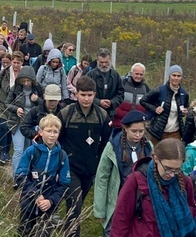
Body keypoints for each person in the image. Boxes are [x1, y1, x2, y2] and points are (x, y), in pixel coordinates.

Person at [58, 76, 112, 237]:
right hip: (70, 167)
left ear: (95, 94)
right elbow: (57, 139)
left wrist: (99, 160)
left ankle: (69, 227)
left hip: (90, 168)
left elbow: (107, 142)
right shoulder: (66, 113)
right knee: (75, 204)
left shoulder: (102, 116)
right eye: (83, 95)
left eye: (89, 95)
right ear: (76, 94)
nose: (86, 99)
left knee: (77, 203)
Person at [110, 138, 196, 237]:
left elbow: (191, 208)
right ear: (155, 158)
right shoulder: (135, 181)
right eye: (167, 169)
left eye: (177, 170)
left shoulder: (185, 182)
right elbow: (121, 220)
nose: (172, 175)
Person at [94, 110, 152, 236]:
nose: (138, 135)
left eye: (141, 131)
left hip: (139, 199)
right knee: (113, 230)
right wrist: (100, 210)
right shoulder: (113, 146)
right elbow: (102, 177)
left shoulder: (148, 146)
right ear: (125, 128)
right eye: (134, 131)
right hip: (117, 198)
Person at [15, 114, 70, 237]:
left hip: (48, 207)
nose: (52, 135)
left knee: (44, 233)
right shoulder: (31, 151)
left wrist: (51, 201)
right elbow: (19, 176)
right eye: (48, 131)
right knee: (24, 232)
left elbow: (64, 183)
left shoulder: (62, 156)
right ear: (40, 132)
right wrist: (35, 195)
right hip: (28, 203)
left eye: (55, 131)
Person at [6, 66, 44, 180]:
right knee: (18, 150)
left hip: (31, 124)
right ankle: (16, 177)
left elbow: (45, 105)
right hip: (17, 123)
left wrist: (37, 100)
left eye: (28, 80)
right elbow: (7, 104)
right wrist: (16, 109)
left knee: (28, 150)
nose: (26, 83)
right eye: (24, 80)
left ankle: (25, 177)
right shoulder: (15, 89)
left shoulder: (38, 89)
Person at [0, 51, 24, 165]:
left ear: (22, 63)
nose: (16, 65)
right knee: (3, 126)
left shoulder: (25, 74)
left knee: (10, 129)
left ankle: (7, 151)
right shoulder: (4, 73)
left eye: (18, 63)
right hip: (1, 104)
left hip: (15, 107)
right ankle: (2, 152)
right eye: (14, 62)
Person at [140, 65, 189, 146]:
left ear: (181, 77)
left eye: (178, 76)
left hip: (175, 133)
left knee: (173, 156)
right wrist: (155, 109)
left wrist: (185, 111)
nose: (176, 78)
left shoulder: (184, 93)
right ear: (169, 76)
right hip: (158, 132)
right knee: (156, 155)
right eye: (174, 75)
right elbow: (143, 100)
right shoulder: (160, 90)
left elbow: (186, 106)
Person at [87, 48, 124, 119]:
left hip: (110, 113)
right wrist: (98, 102)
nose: (104, 64)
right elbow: (84, 93)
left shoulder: (115, 75)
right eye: (101, 62)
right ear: (97, 61)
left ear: (110, 61)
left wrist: (112, 102)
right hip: (92, 112)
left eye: (106, 62)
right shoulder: (90, 75)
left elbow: (120, 93)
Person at [113, 62, 150, 128]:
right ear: (131, 73)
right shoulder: (122, 84)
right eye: (136, 74)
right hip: (120, 124)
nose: (138, 76)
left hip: (137, 126)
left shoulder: (146, 88)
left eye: (141, 74)